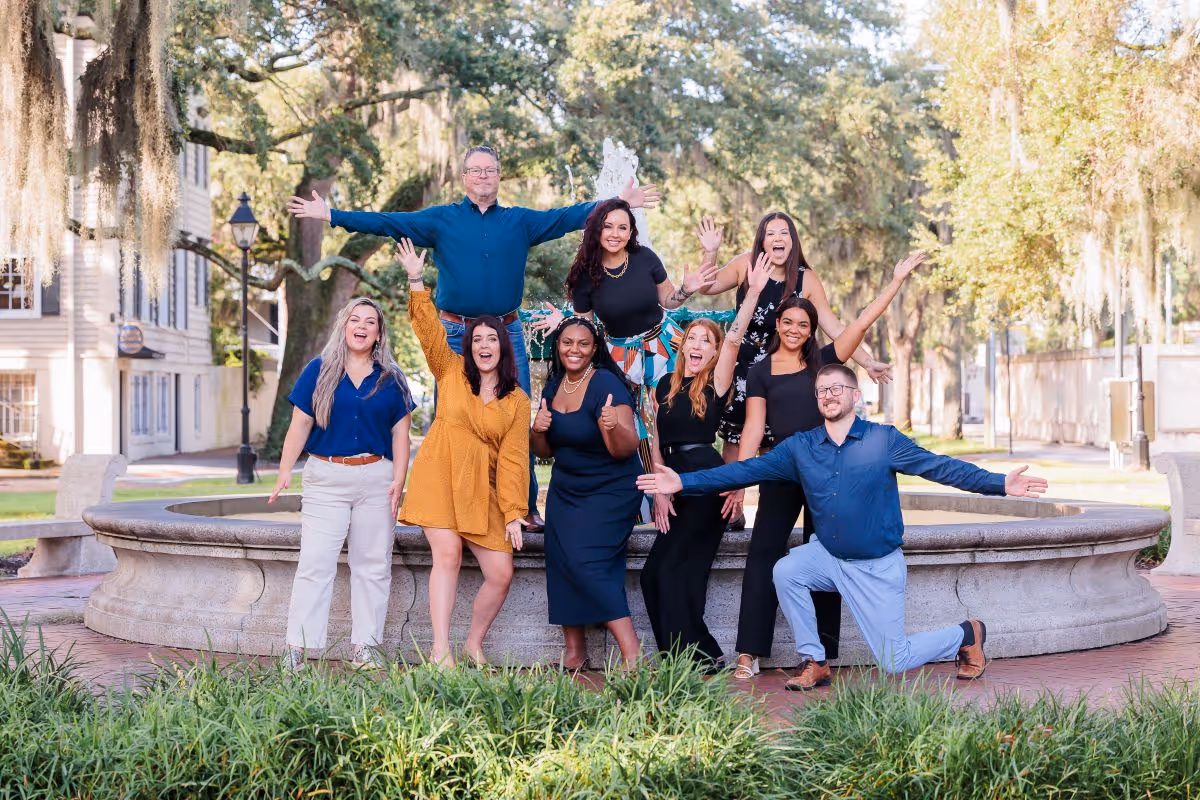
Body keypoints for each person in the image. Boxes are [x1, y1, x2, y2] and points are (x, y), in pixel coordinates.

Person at [287, 145, 661, 533]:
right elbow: (387, 221)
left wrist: (619, 202)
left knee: (517, 415)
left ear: (499, 176)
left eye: (490, 170)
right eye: (475, 170)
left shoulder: (520, 222)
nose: (483, 176)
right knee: (453, 418)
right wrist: (330, 215)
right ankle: (447, 506)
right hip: (454, 333)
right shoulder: (441, 220)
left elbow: (566, 216)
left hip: (507, 329)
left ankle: (524, 507)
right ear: (464, 177)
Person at [637, 364, 1049, 691]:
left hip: (875, 564)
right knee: (785, 570)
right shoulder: (800, 448)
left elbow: (941, 467)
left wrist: (999, 483)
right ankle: (814, 659)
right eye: (822, 391)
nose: (829, 395)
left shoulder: (883, 440)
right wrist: (683, 482)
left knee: (893, 660)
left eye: (837, 388)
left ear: (855, 396)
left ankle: (967, 632)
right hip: (828, 556)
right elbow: (746, 469)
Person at [724, 251, 928, 681]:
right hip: (783, 470)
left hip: (829, 473)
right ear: (777, 325)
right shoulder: (760, 370)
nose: (795, 330)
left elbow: (860, 323)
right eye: (788, 322)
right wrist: (739, 483)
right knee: (763, 554)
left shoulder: (825, 361)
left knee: (829, 550)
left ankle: (821, 656)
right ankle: (748, 652)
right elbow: (754, 429)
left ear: (810, 329)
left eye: (804, 324)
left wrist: (895, 282)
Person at [696, 212, 890, 529]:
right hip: (742, 369)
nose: (777, 238)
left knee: (776, 442)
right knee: (735, 439)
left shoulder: (805, 279)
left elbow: (834, 327)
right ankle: (732, 508)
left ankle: (775, 511)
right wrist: (711, 251)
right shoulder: (746, 264)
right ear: (762, 240)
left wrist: (866, 361)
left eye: (783, 232)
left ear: (792, 239)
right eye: (770, 233)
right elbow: (707, 286)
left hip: (785, 371)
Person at [394, 238, 530, 668]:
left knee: (501, 572)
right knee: (447, 553)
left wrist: (512, 511)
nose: (485, 346)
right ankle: (440, 650)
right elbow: (430, 332)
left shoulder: (517, 400)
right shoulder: (450, 372)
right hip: (438, 475)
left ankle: (473, 642)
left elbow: (512, 459)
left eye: (492, 339)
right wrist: (417, 279)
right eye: (477, 340)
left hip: (479, 488)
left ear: (502, 347)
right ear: (468, 347)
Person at [639, 254, 773, 671]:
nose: (698, 345)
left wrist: (751, 292)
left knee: (678, 572)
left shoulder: (716, 382)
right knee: (652, 575)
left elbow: (735, 336)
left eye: (706, 342)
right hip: (670, 483)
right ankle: (683, 658)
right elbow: (655, 439)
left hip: (705, 482)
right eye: (693, 339)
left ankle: (701, 656)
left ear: (714, 353)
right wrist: (659, 493)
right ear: (684, 345)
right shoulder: (662, 384)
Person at [269, 296, 416, 671]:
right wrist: (285, 470)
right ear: (344, 325)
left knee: (373, 565)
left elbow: (402, 434)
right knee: (316, 562)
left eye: (370, 321)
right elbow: (300, 424)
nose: (362, 326)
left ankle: (365, 648)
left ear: (379, 332)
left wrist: (399, 479)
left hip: (376, 478)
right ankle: (296, 649)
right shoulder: (318, 370)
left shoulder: (391, 377)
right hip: (326, 477)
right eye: (355, 319)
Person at [531, 199, 719, 462]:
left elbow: (668, 300)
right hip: (621, 356)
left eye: (622, 228)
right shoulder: (585, 275)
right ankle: (648, 492)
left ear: (631, 232)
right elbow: (584, 325)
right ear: (597, 230)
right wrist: (564, 321)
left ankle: (685, 477)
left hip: (663, 343)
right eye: (608, 227)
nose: (615, 234)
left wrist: (686, 288)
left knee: (673, 410)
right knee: (633, 420)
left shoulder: (645, 258)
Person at [531, 315, 643, 670]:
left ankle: (632, 656)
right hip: (567, 489)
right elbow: (544, 451)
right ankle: (575, 653)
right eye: (567, 343)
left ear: (594, 349)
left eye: (582, 343)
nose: (574, 350)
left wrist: (612, 426)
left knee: (587, 563)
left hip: (611, 488)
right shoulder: (554, 387)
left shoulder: (606, 383)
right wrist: (536, 429)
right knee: (562, 562)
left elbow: (626, 448)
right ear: (557, 347)